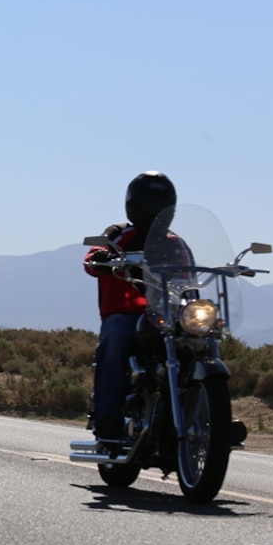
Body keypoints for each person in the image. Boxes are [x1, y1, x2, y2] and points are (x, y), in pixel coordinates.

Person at [83, 171, 176, 441]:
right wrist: (100, 258)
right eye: (149, 200)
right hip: (125, 313)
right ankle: (108, 418)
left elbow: (189, 273)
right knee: (116, 339)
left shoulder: (174, 242)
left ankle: (208, 411)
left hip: (165, 315)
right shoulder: (118, 233)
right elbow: (91, 258)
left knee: (200, 340)